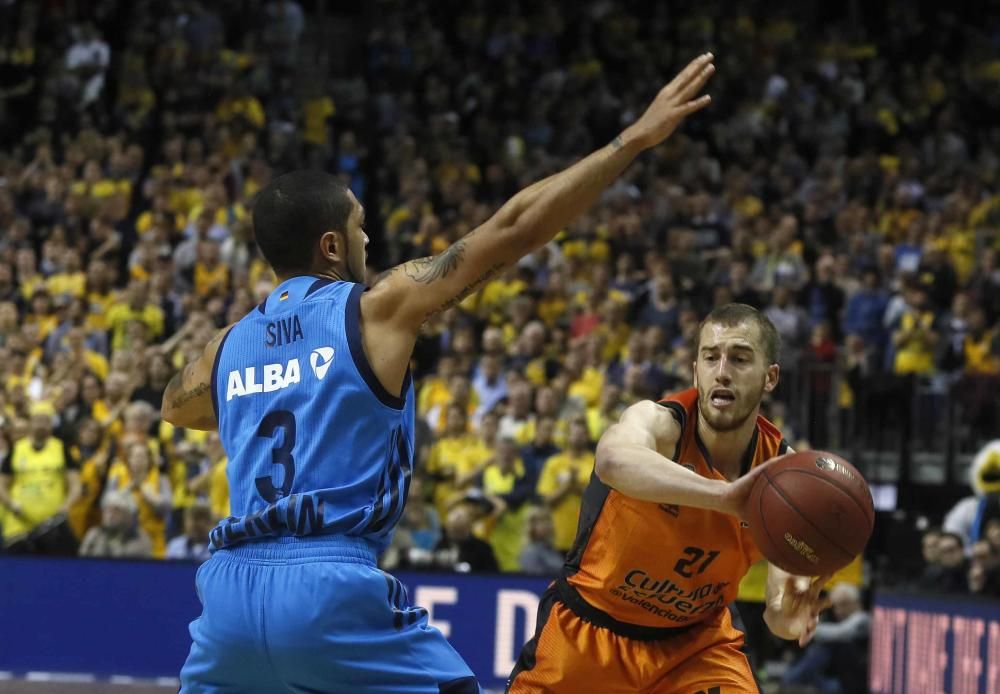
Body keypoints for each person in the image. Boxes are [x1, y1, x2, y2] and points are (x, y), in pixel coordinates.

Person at [160, 53, 718, 693]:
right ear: (332, 247)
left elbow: (178, 407)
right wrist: (632, 140)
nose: (369, 241)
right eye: (360, 227)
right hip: (328, 585)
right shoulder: (375, 310)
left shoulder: (225, 348)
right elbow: (511, 230)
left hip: (226, 595)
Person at [508, 304, 832, 693]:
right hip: (589, 634)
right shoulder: (660, 424)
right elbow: (612, 459)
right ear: (696, 370)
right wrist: (725, 496)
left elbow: (778, 611)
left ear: (770, 377)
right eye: (710, 357)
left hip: (696, 646)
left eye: (741, 359)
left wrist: (786, 615)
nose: (723, 371)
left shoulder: (785, 478)